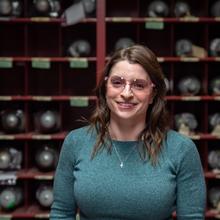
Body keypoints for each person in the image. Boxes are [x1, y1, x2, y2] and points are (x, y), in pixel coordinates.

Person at [50, 44, 206, 220]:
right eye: (117, 82)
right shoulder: (76, 142)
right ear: (105, 87)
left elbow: (192, 217)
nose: (126, 93)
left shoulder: (181, 149)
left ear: (153, 94)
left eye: (139, 85)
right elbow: (61, 213)